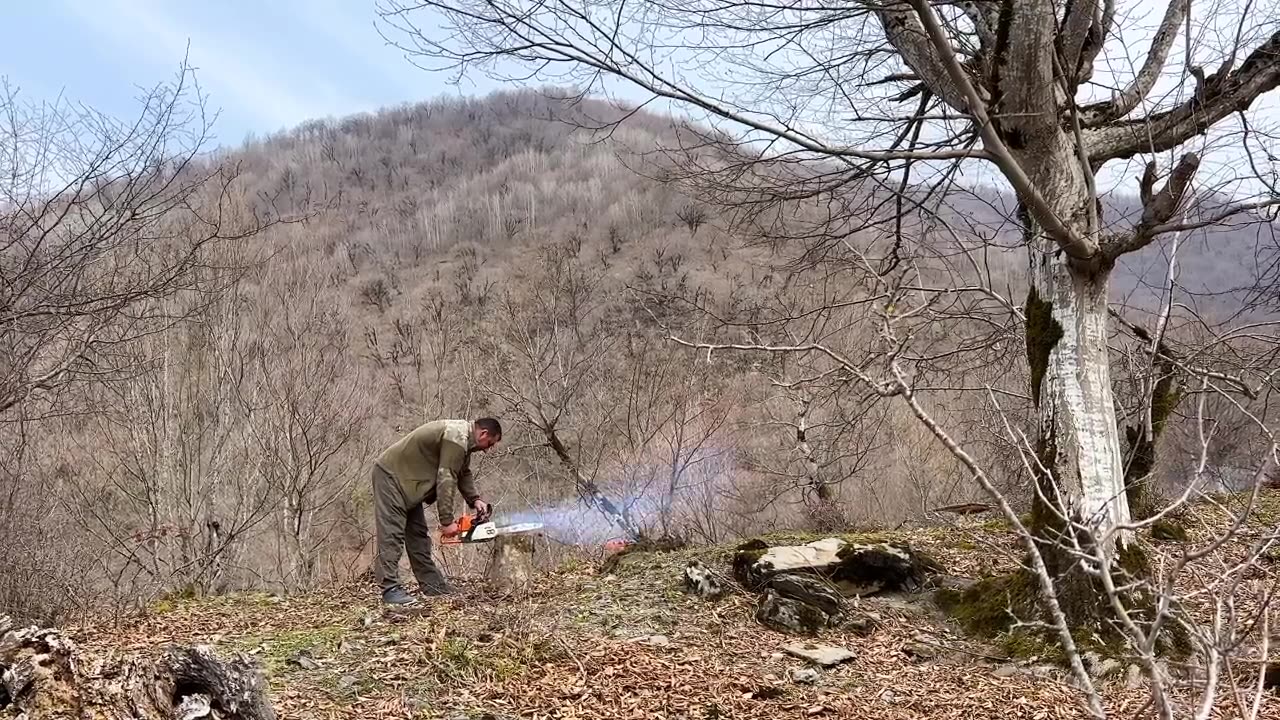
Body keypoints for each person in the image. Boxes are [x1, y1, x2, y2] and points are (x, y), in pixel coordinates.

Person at [370, 417, 501, 604]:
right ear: (483, 433)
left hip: (409, 484)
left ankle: (433, 585)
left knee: (418, 536)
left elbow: (462, 472)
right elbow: (446, 478)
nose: (488, 449)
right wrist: (447, 522)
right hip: (391, 477)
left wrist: (475, 500)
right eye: (490, 443)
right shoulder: (456, 437)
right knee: (392, 534)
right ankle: (390, 589)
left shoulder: (463, 440)